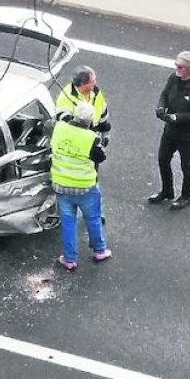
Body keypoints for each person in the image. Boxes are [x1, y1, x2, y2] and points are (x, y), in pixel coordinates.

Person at [51, 100, 111, 271]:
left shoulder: (59, 128)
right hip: (85, 187)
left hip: (62, 186)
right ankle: (99, 251)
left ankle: (69, 259)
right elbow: (101, 157)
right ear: (90, 121)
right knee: (93, 219)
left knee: (68, 223)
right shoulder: (91, 138)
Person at [149, 51, 190, 210]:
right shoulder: (173, 78)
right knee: (163, 159)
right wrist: (161, 107)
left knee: (185, 165)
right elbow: (165, 94)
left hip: (187, 135)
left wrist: (176, 117)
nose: (177, 68)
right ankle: (167, 190)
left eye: (180, 66)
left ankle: (186, 195)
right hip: (170, 130)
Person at [55, 65, 111, 143]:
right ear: (82, 84)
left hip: (90, 135)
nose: (95, 83)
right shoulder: (66, 97)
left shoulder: (95, 92)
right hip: (73, 140)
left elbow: (102, 110)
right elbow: (65, 123)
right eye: (92, 81)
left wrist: (105, 133)